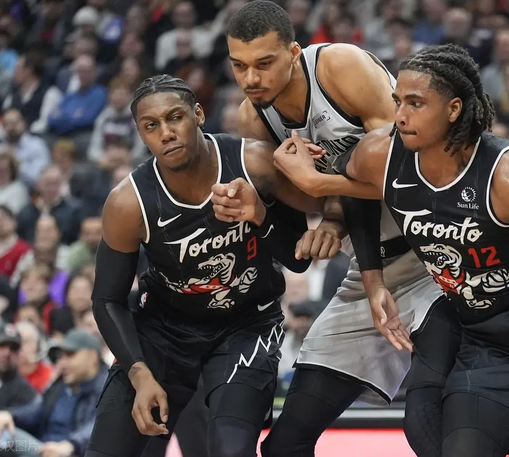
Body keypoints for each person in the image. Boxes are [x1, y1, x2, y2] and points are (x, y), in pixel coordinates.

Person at [270, 44, 509, 457]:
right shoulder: (380, 153)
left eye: (415, 103)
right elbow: (356, 190)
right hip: (487, 333)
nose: (400, 115)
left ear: (454, 109)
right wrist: (317, 187)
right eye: (397, 101)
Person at [221, 0, 460, 457]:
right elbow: (298, 248)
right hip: (372, 268)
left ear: (293, 53)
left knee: (428, 427)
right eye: (239, 66)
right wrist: (261, 210)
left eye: (264, 64)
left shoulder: (340, 67)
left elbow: (401, 175)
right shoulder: (254, 119)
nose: (251, 78)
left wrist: (323, 195)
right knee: (284, 445)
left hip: (437, 254)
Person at [84, 75, 343, 457]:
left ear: (199, 114)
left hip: (247, 324)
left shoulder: (253, 162)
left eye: (175, 118)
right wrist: (138, 372)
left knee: (231, 450)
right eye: (151, 126)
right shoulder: (128, 203)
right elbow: (107, 299)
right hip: (164, 329)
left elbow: (297, 260)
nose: (166, 133)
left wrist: (259, 215)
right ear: (141, 134)